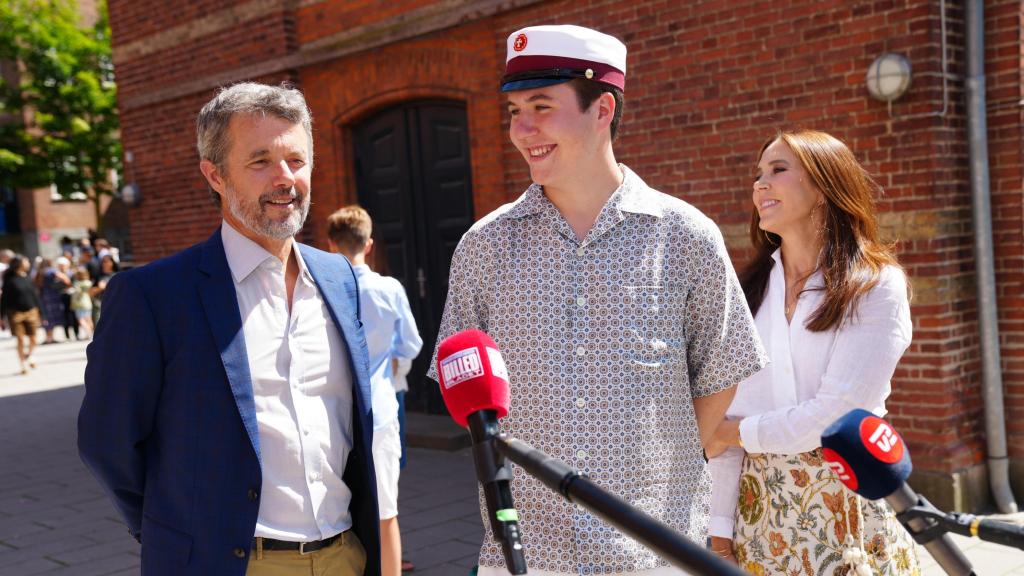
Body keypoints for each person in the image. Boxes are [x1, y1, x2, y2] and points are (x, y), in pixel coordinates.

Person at [429, 25, 767, 576]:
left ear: (603, 107)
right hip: (525, 557)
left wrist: (655, 466)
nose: (523, 129)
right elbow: (464, 391)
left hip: (653, 555)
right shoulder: (483, 247)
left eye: (542, 106)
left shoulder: (685, 237)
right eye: (514, 110)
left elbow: (719, 379)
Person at [78, 82, 381, 576]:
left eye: (296, 160)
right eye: (260, 161)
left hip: (346, 555)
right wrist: (175, 528)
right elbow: (106, 441)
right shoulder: (153, 296)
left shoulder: (338, 277)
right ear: (215, 175)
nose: (285, 178)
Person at [706, 130, 920, 575]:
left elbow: (836, 416)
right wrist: (719, 535)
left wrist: (732, 432)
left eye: (778, 170)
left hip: (845, 506)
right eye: (758, 174)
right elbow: (723, 424)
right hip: (759, 518)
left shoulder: (875, 285)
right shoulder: (746, 292)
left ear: (823, 189)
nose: (759, 185)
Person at [327, 205, 423, 576]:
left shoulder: (324, 291)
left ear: (331, 243)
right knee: (386, 510)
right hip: (381, 405)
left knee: (340, 509)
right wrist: (395, 361)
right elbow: (412, 343)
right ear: (369, 244)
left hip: (334, 411)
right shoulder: (389, 288)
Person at [0, 255, 42, 373]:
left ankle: (30, 355)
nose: (28, 263)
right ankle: (23, 365)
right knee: (20, 339)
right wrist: (1, 316)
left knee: (34, 338)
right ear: (19, 264)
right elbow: (5, 299)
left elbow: (35, 296)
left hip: (31, 312)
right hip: (15, 314)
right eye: (26, 261)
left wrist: (41, 312)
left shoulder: (28, 278)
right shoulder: (9, 280)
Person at [37, 257, 72, 344]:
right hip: (52, 296)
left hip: (44, 296)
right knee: (51, 317)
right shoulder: (51, 271)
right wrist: (67, 284)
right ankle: (50, 338)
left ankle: (49, 337)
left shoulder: (40, 272)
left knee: (46, 316)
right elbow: (66, 279)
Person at [70, 267, 94, 339]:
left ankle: (89, 333)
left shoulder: (78, 284)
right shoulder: (88, 282)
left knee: (81, 320)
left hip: (79, 304)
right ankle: (91, 333)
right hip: (87, 302)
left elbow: (77, 293)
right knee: (88, 319)